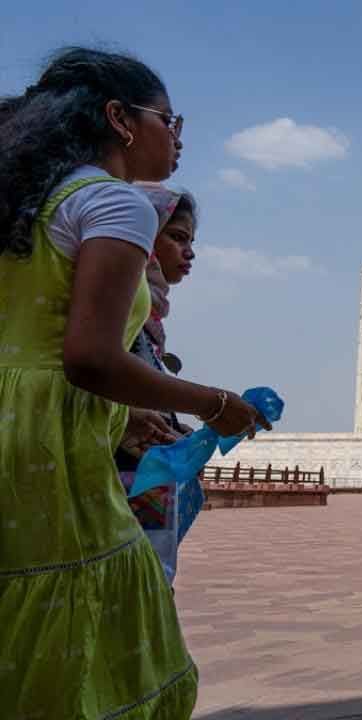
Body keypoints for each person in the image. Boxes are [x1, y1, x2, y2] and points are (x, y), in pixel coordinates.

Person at [0, 47, 268, 718]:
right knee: (94, 623)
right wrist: (217, 403)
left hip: (16, 418)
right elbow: (88, 357)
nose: (176, 139)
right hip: (45, 445)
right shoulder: (114, 205)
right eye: (169, 120)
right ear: (121, 119)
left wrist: (121, 418)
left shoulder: (24, 206)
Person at [115, 183, 199, 586]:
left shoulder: (148, 313)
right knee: (132, 587)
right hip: (116, 481)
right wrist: (215, 404)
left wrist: (169, 425)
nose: (189, 252)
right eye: (177, 237)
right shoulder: (118, 298)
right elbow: (94, 372)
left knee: (145, 586)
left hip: (141, 482)